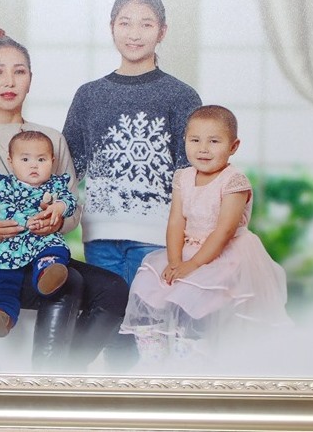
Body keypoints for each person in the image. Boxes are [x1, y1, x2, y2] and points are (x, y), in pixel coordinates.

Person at [0, 27, 129, 372]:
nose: (9, 81)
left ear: (30, 80)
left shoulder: (50, 139)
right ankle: (46, 382)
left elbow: (72, 208)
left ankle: (65, 375)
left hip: (44, 255)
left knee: (114, 288)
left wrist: (58, 218)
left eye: (19, 71)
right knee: (68, 284)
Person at [120, 105, 292, 364]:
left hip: (225, 254)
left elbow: (224, 230)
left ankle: (190, 357)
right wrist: (175, 260)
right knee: (147, 286)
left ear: (233, 146)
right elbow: (176, 221)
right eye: (195, 140)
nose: (203, 149)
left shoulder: (234, 181)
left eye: (214, 141)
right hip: (188, 248)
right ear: (185, 141)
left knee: (192, 298)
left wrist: (193, 265)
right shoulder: (183, 177)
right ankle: (153, 358)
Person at [62, 0, 202, 285]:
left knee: (149, 314)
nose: (134, 34)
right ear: (111, 27)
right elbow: (69, 167)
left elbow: (190, 172)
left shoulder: (181, 96)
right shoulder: (89, 95)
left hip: (158, 237)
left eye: (146, 24)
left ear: (162, 31)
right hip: (99, 236)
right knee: (107, 312)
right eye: (125, 23)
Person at [0, 130, 77, 338]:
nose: (34, 166)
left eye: (41, 160)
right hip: (12, 240)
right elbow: (4, 208)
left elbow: (70, 201)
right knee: (1, 273)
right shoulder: (6, 185)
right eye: (25, 159)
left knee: (54, 248)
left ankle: (46, 273)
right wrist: (26, 221)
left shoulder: (56, 184)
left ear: (52, 161)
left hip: (43, 236)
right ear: (11, 161)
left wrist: (59, 207)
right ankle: (1, 313)